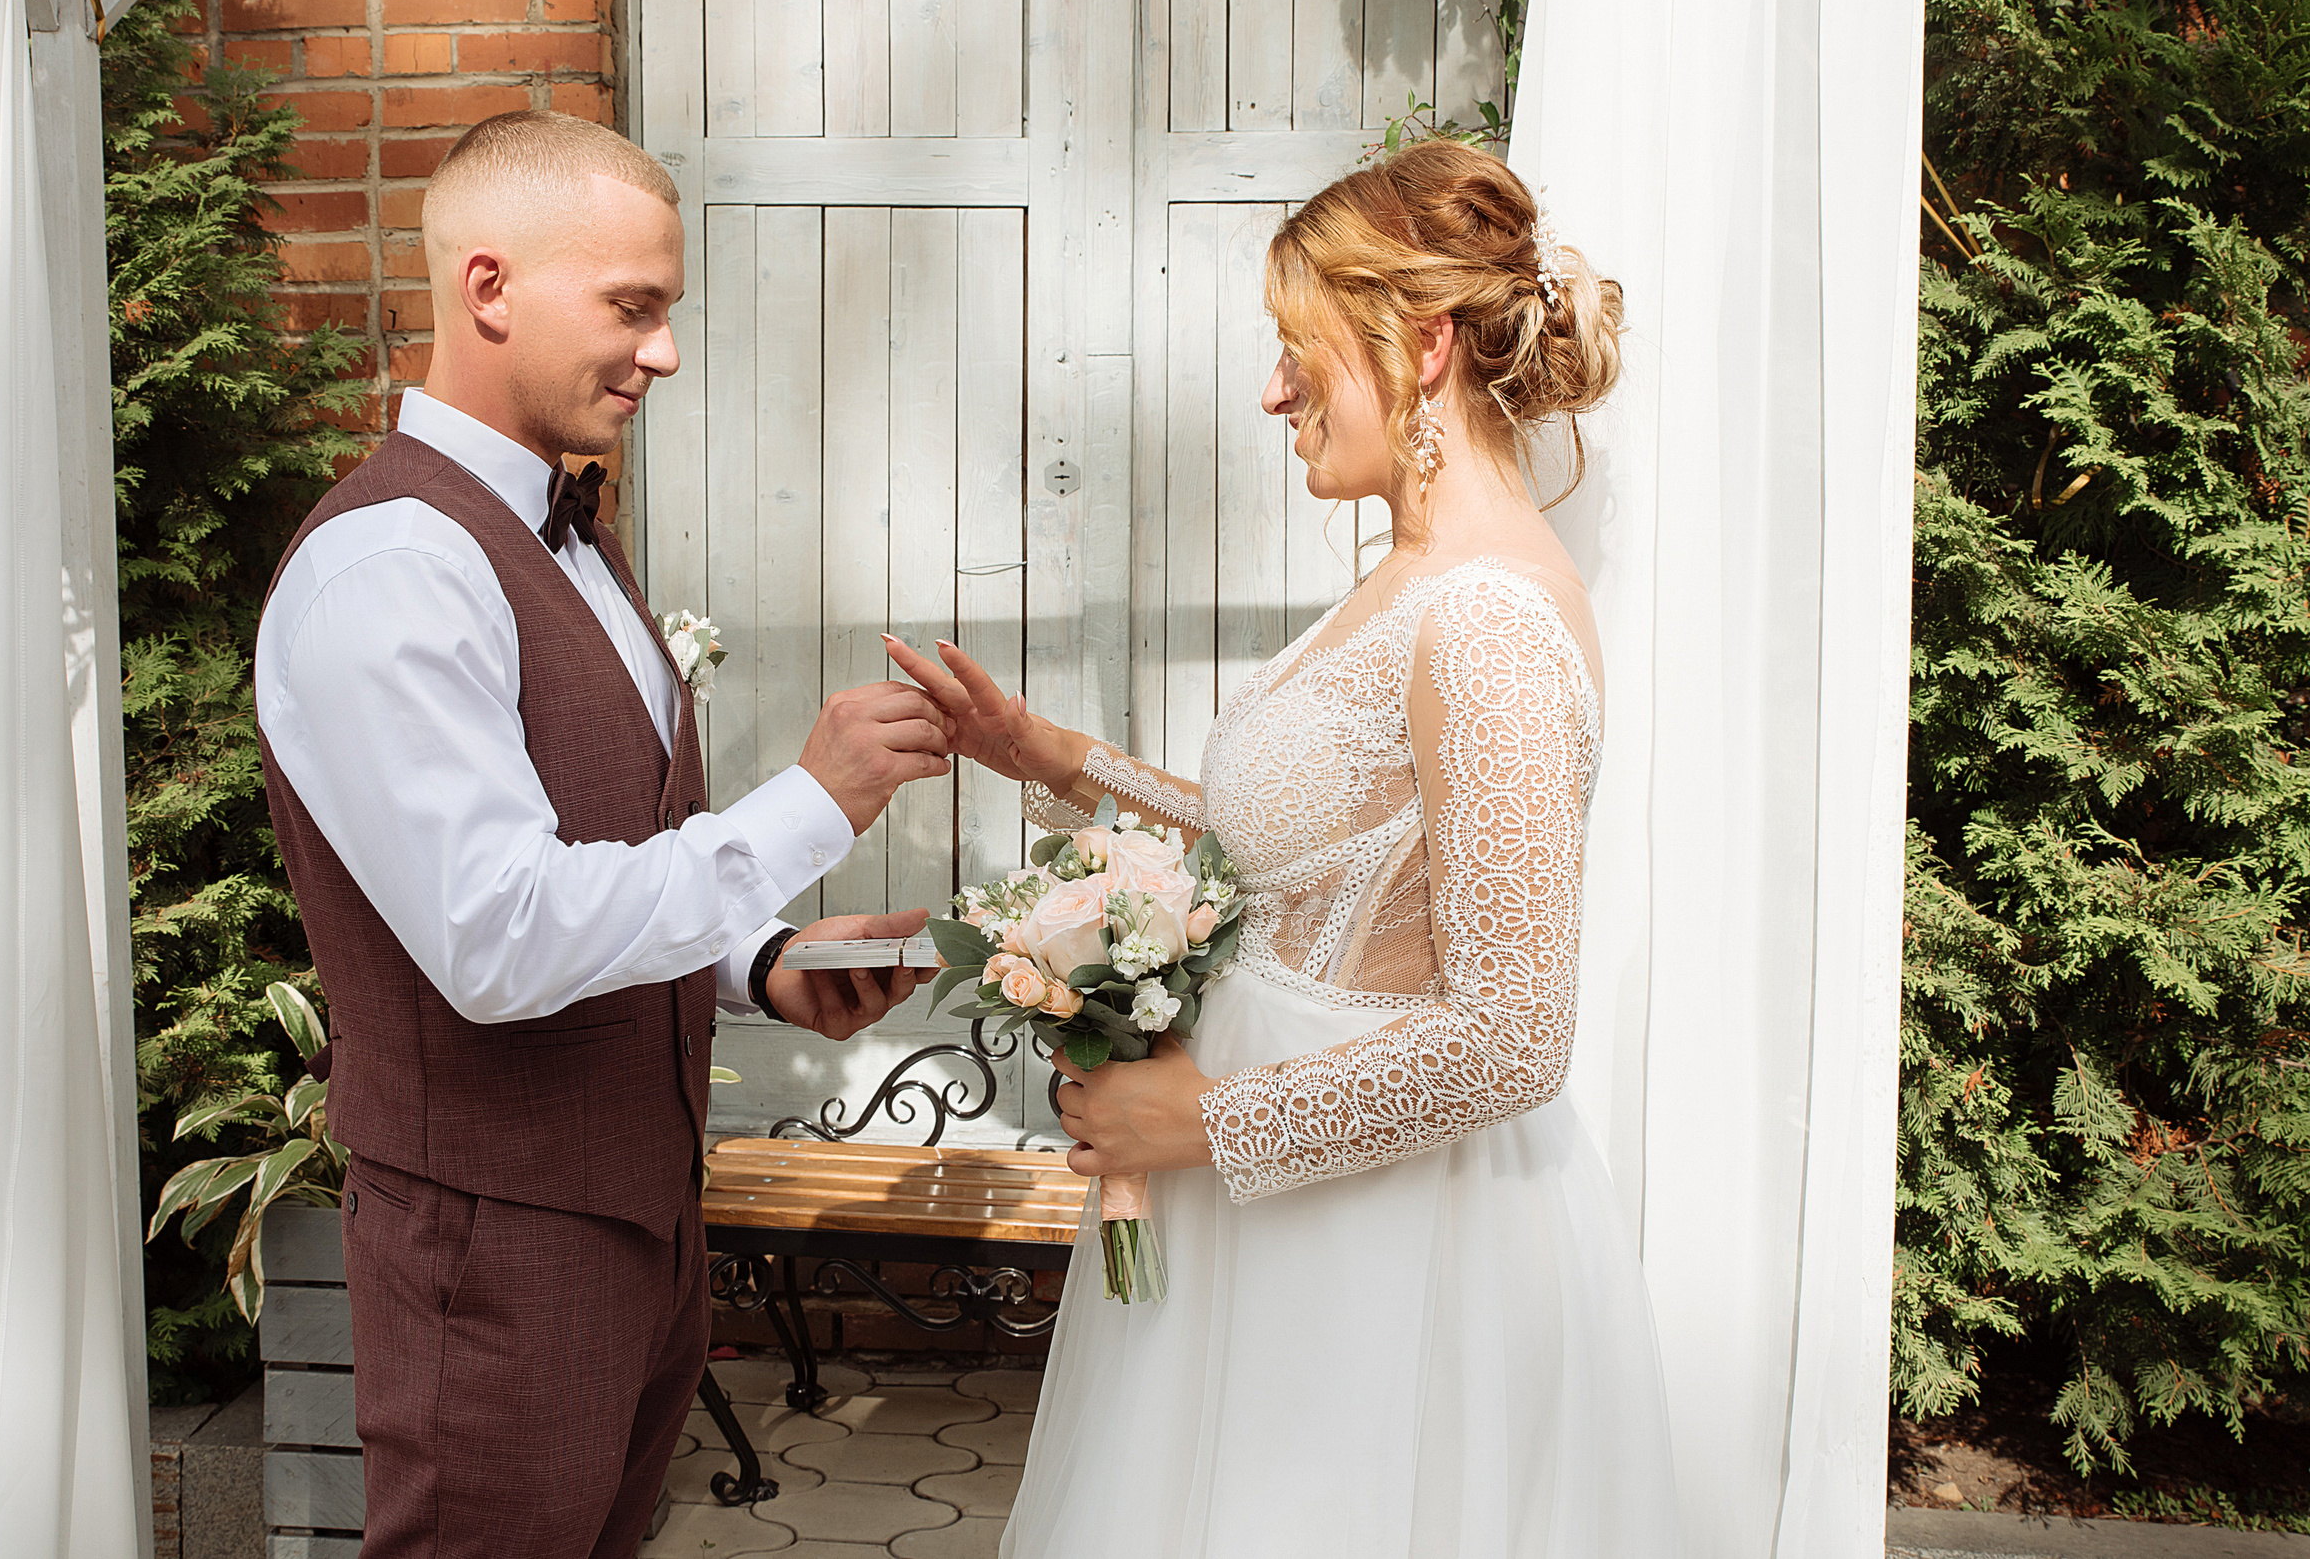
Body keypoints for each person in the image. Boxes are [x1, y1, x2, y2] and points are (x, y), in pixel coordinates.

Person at [887, 140, 1682, 1556]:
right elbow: (1300, 854)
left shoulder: (1489, 621)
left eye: (1297, 348)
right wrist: (1061, 760)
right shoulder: (1410, 572)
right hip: (1281, 1220)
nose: (1274, 390)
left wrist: (1196, 1122)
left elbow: (1516, 1035)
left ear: (1422, 344)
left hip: (1385, 1258)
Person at [253, 110, 951, 1559]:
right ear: (489, 287)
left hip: (641, 1230)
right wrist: (810, 800)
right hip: (491, 1255)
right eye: (633, 308)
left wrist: (757, 963)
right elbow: (498, 934)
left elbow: (594, 854)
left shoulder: (561, 526)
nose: (665, 353)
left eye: (668, 309)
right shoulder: (390, 568)